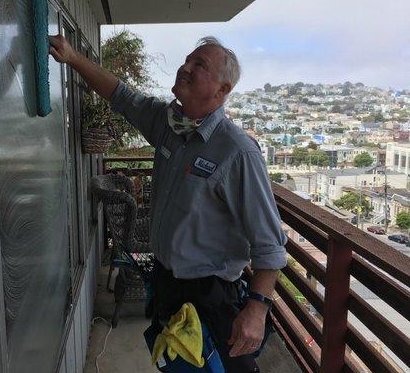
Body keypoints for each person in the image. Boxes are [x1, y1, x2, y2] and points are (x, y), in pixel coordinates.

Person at [49, 34, 287, 372]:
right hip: (167, 285)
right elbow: (121, 96)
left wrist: (257, 308)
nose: (185, 67)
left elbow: (269, 243)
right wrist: (73, 58)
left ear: (222, 90)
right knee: (174, 365)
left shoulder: (237, 151)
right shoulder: (168, 125)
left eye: (199, 65)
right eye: (187, 60)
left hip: (210, 295)